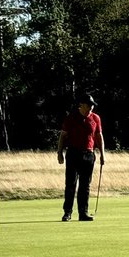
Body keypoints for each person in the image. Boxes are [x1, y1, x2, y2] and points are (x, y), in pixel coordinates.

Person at [56, 92, 104, 221]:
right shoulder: (71, 117)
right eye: (88, 105)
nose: (91, 108)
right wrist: (59, 152)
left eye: (92, 106)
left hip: (89, 154)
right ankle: (67, 213)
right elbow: (63, 135)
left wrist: (102, 155)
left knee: (85, 185)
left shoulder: (95, 118)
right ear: (81, 105)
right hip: (73, 153)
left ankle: (83, 213)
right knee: (70, 184)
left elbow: (99, 137)